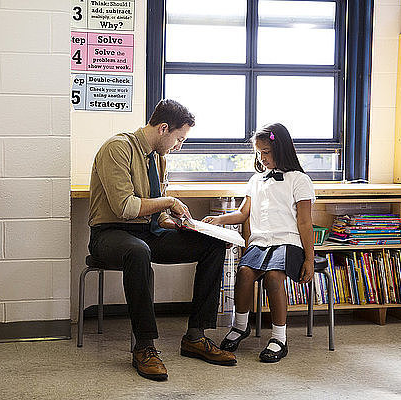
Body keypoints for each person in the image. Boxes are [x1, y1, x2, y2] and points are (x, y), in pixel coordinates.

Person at [88, 99, 236, 381]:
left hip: (147, 232)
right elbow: (125, 208)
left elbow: (154, 215)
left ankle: (195, 336)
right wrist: (168, 201)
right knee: (138, 251)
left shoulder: (157, 157)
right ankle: (144, 347)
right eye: (179, 138)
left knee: (213, 245)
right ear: (163, 128)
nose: (179, 145)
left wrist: (178, 223)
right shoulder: (117, 149)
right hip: (110, 233)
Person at [203, 123, 315, 363]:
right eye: (259, 153)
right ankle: (240, 326)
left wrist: (309, 259)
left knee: (274, 277)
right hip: (260, 242)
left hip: (289, 242)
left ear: (282, 149)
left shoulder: (299, 180)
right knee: (243, 273)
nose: (262, 158)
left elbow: (305, 223)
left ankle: (279, 338)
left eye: (267, 152)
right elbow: (243, 213)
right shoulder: (256, 180)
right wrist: (219, 219)